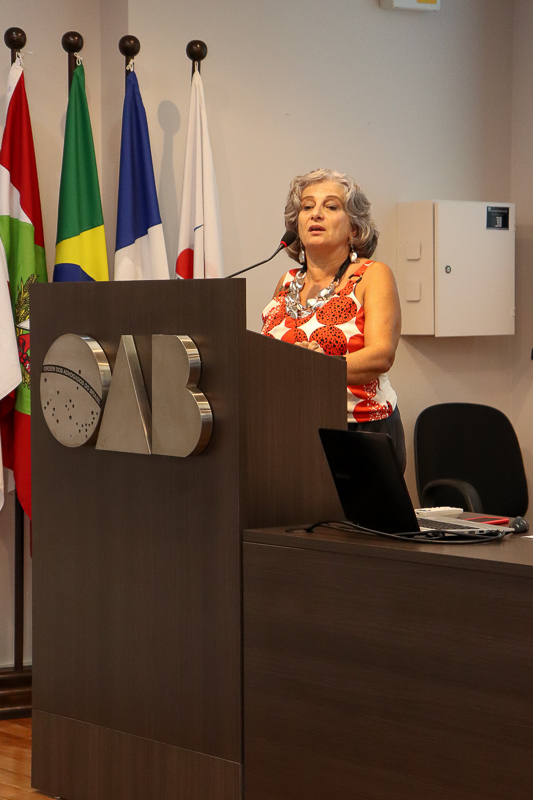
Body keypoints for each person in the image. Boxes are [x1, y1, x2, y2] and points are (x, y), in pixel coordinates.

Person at [261, 168, 406, 473]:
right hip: (292, 429)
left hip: (359, 432)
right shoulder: (286, 282)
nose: (316, 214)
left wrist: (316, 368)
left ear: (354, 229)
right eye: (307, 207)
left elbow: (381, 355)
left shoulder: (372, 275)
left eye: (331, 206)